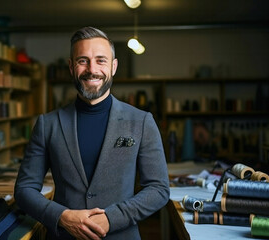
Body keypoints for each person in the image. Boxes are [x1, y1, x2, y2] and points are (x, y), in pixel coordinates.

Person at [14, 26, 170, 240]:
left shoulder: (142, 121)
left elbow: (158, 189)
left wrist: (111, 218)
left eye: (101, 60)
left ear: (114, 66)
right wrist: (63, 216)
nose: (92, 69)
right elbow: (24, 189)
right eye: (82, 60)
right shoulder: (47, 124)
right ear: (71, 66)